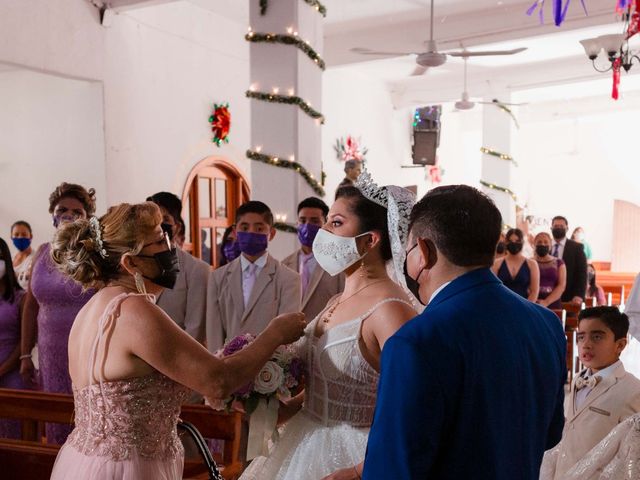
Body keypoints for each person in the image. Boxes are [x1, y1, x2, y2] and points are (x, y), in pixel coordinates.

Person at [47, 201, 305, 480]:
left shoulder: (92, 308)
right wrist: (275, 334)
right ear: (130, 262)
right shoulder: (135, 310)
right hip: (129, 468)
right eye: (159, 241)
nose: (171, 250)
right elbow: (217, 381)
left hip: (86, 461)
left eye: (167, 237)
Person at [362, 185, 566, 480]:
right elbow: (550, 433)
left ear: (423, 251)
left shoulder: (416, 341)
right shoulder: (546, 323)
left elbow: (391, 469)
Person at [240, 173, 418, 480]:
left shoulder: (390, 311)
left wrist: (359, 471)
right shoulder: (336, 298)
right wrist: (265, 401)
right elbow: (321, 389)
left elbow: (412, 406)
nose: (322, 234)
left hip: (354, 454)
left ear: (369, 240)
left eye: (335, 223)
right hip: (301, 439)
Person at [20, 182, 97, 445]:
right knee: (55, 425)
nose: (68, 215)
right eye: (62, 209)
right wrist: (24, 354)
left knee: (87, 426)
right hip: (50, 356)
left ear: (87, 218)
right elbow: (31, 306)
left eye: (77, 212)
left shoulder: (96, 256)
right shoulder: (42, 253)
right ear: (52, 213)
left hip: (87, 352)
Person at [540, 307, 640, 479]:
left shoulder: (632, 390)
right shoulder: (578, 379)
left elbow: (630, 454)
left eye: (597, 336)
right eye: (581, 337)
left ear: (620, 345)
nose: (586, 344)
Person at [205, 201, 301, 352]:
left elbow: (286, 335)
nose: (251, 232)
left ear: (272, 234)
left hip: (270, 367)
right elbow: (214, 332)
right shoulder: (218, 278)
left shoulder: (288, 279)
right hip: (227, 365)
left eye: (259, 228)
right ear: (235, 231)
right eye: (244, 227)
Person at [147, 192, 210, 344]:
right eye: (152, 219)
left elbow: (195, 331)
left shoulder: (197, 270)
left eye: (165, 219)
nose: (158, 225)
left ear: (177, 227)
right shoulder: (132, 264)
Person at [282, 197, 345, 321]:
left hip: (324, 336)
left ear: (325, 224)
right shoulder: (284, 264)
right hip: (289, 337)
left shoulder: (339, 264)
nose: (307, 226)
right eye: (302, 220)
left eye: (314, 221)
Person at [0, 237, 28, 439]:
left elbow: (25, 339)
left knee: (13, 433)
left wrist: (2, 369)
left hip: (12, 371)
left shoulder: (20, 297)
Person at [492, 228, 540, 302]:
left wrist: (526, 308)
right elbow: (493, 288)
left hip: (525, 306)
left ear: (522, 242)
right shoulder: (497, 263)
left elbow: (534, 292)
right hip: (502, 304)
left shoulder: (532, 264)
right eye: (510, 241)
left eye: (517, 241)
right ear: (506, 242)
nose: (514, 243)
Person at [551, 216, 587, 304]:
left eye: (561, 226)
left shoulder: (577, 248)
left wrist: (579, 295)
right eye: (556, 226)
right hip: (547, 295)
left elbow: (582, 273)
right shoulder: (546, 245)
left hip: (569, 296)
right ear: (551, 228)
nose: (558, 228)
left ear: (567, 228)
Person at [534, 232, 567, 310]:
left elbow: (561, 286)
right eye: (539, 242)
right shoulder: (528, 262)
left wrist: (546, 302)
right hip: (532, 302)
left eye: (546, 242)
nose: (542, 244)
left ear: (550, 246)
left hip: (553, 304)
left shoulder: (559, 263)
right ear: (534, 244)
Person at [10, 221, 34, 290]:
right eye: (16, 234)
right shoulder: (9, 258)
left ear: (30, 236)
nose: (20, 237)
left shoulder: (36, 259)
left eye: (24, 234)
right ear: (11, 237)